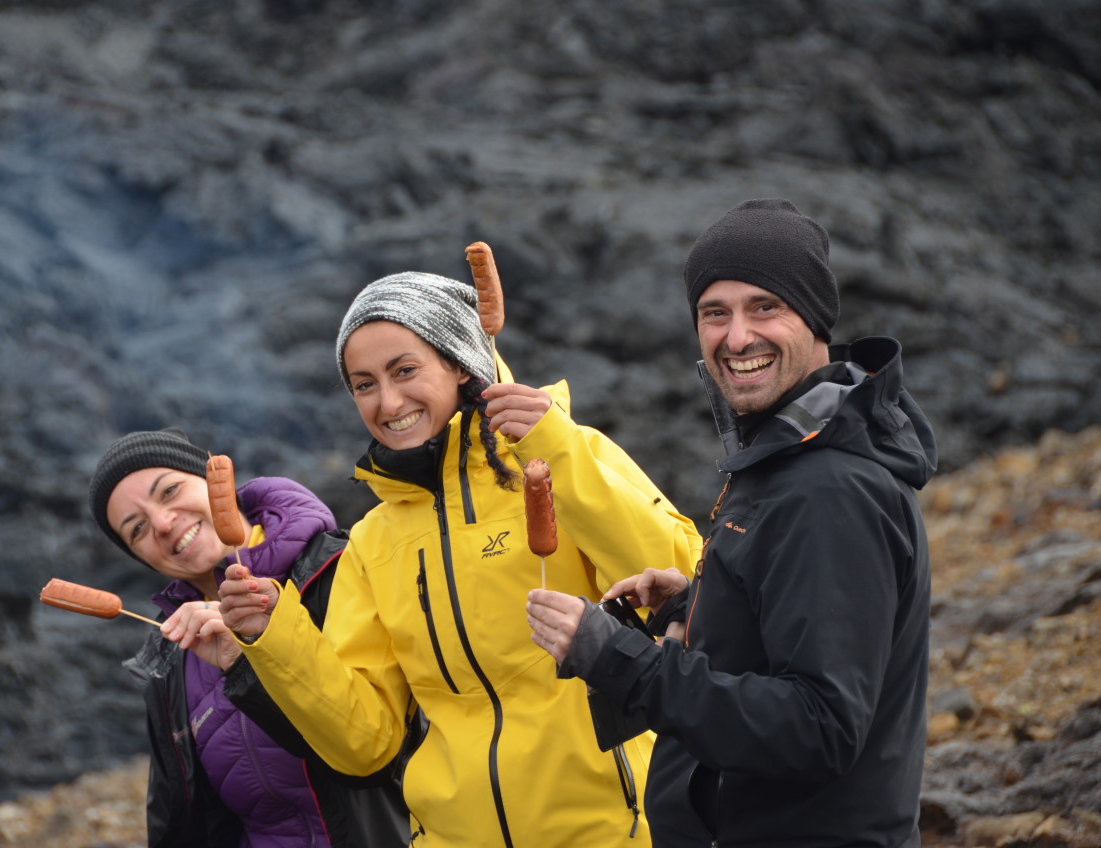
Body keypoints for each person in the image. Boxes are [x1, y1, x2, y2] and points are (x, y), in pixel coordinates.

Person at [172, 271, 704, 848]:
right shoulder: (373, 543)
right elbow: (365, 742)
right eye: (363, 384)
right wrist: (274, 636)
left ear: (459, 363)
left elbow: (682, 584)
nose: (388, 401)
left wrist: (557, 450)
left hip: (617, 831)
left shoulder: (571, 452)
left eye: (405, 370)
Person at [526, 198, 937, 847]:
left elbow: (820, 727)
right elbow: (801, 632)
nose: (736, 337)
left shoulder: (829, 490)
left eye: (763, 307)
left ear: (814, 315)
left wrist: (625, 663)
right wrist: (705, 604)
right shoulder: (789, 455)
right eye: (714, 313)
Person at [87, 428, 411, 848]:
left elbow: (383, 757)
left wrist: (249, 661)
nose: (163, 524)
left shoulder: (342, 569)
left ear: (214, 483)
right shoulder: (171, 656)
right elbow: (180, 824)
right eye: (136, 529)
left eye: (169, 491)